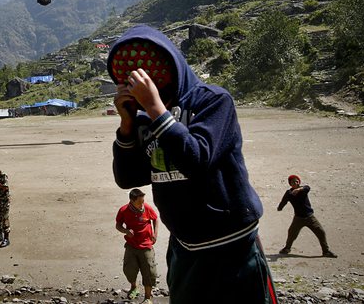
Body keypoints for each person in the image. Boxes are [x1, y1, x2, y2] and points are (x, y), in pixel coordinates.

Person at [109, 25, 277, 304]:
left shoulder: (213, 102)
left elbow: (196, 159)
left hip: (232, 245)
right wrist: (126, 125)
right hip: (185, 246)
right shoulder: (145, 120)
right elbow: (128, 178)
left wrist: (154, 109)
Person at [116, 188, 159, 303]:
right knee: (129, 269)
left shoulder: (147, 208)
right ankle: (134, 287)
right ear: (131, 200)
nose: (142, 204)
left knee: (149, 272)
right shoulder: (124, 210)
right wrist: (125, 231)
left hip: (146, 245)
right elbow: (118, 225)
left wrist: (155, 234)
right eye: (139, 202)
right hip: (131, 245)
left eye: (143, 201)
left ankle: (148, 298)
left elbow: (155, 219)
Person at [277, 175, 337, 258]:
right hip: (298, 218)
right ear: (290, 184)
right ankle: (287, 248)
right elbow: (284, 201)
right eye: (293, 182)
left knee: (321, 232)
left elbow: (307, 187)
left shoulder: (303, 190)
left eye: (297, 181)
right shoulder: (289, 193)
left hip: (310, 217)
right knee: (291, 234)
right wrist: (280, 207)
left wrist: (299, 189)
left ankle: (326, 251)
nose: (295, 183)